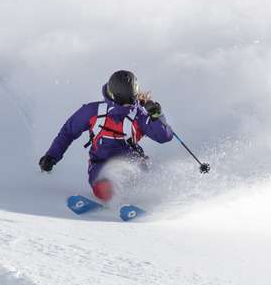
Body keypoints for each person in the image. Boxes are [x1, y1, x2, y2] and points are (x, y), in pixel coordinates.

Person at [38, 70, 173, 202]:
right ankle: (117, 197)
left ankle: (148, 199)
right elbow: (68, 132)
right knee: (105, 185)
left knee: (143, 180)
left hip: (133, 163)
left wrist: (156, 116)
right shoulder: (93, 112)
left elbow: (164, 137)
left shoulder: (139, 116)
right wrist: (51, 156)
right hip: (100, 166)